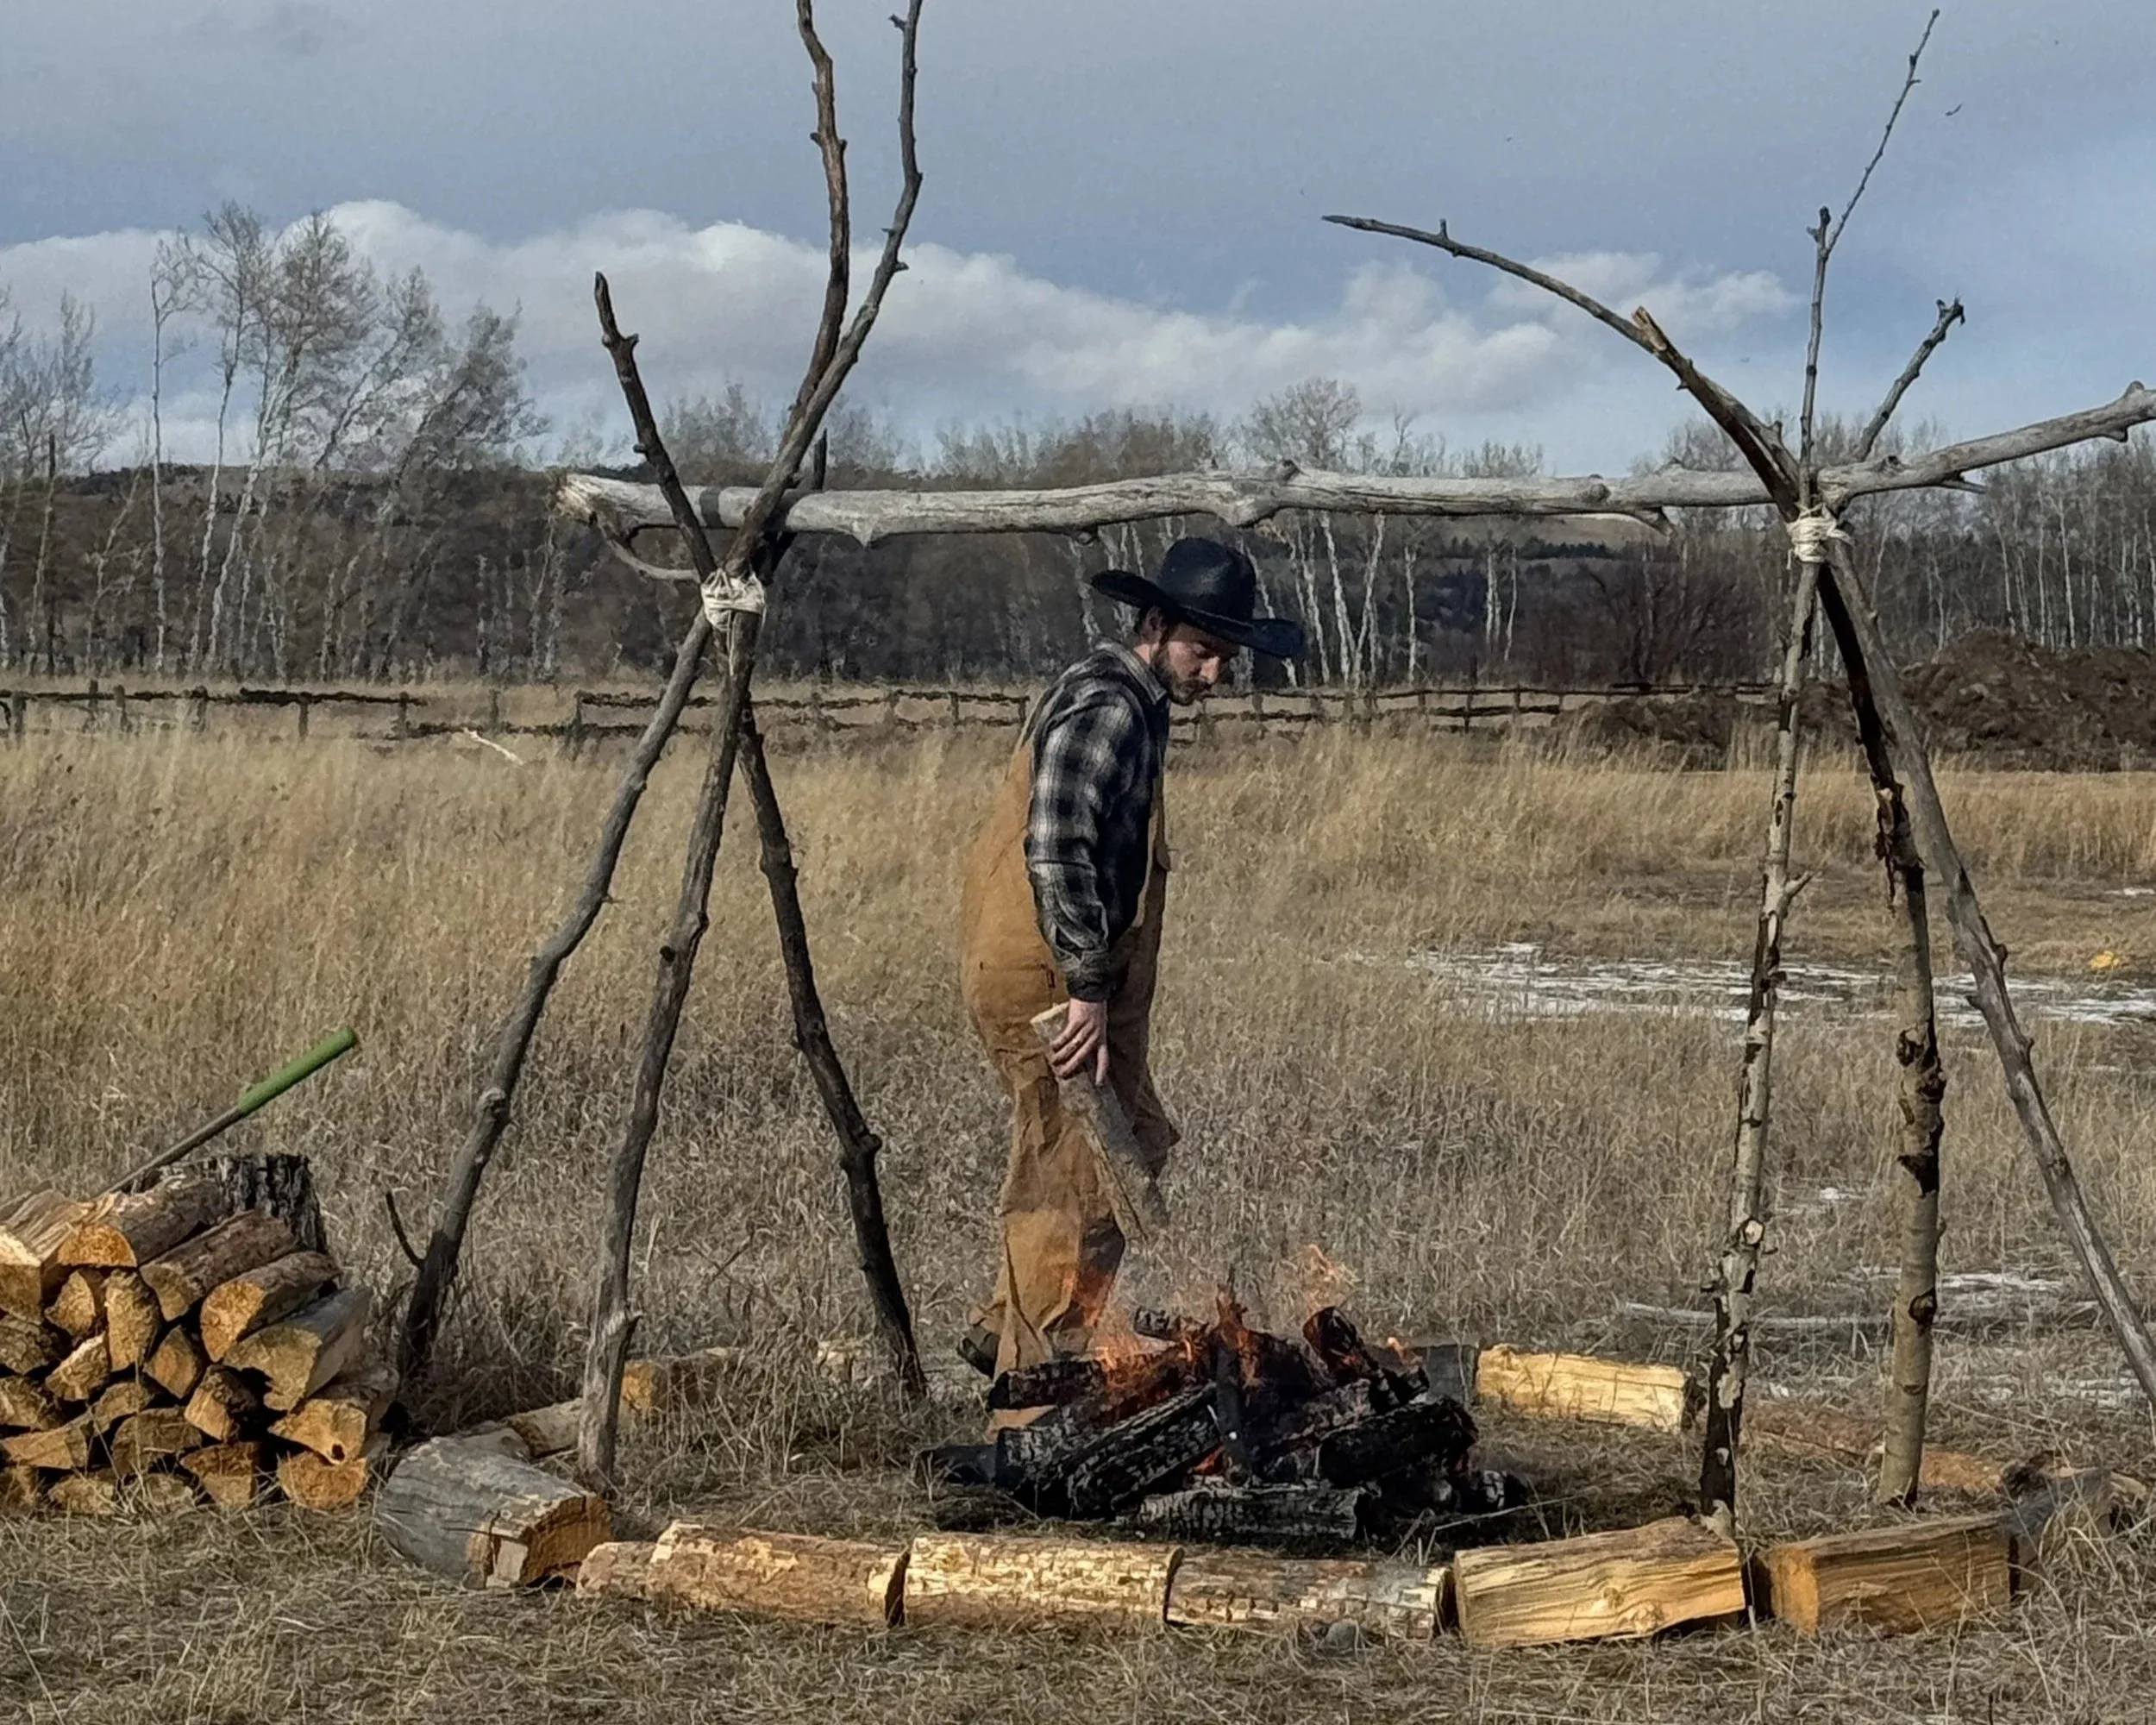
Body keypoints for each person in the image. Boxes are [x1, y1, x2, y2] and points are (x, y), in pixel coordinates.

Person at [956, 536, 1305, 1385]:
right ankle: (1031, 1393)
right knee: (1071, 1180)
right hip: (1051, 979)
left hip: (1073, 977)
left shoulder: (1131, 699)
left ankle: (1002, 1330)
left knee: (1133, 1140)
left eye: (1226, 655)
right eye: (1204, 649)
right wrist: (1084, 986)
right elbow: (1057, 842)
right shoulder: (1109, 702)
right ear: (1154, 623)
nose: (1216, 673)